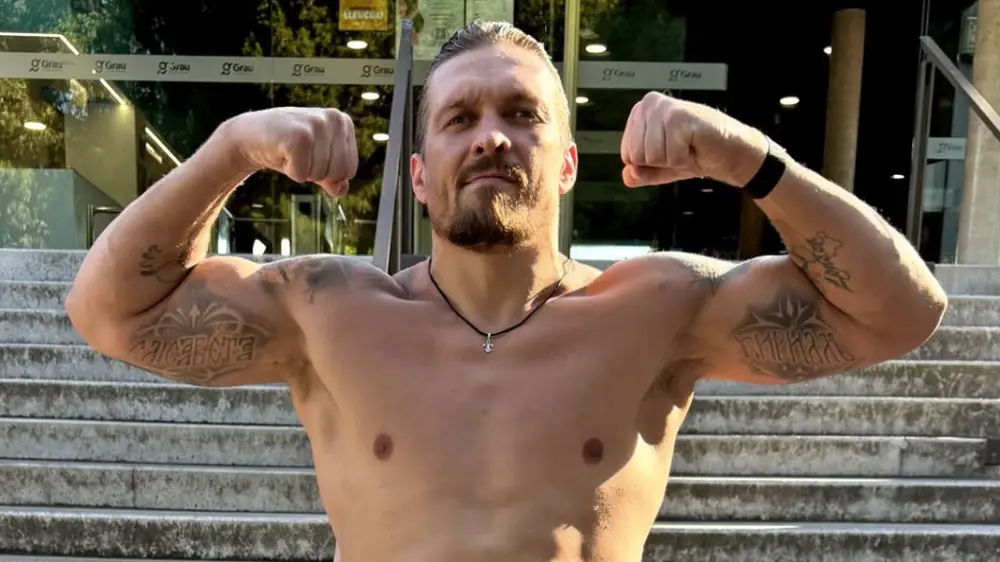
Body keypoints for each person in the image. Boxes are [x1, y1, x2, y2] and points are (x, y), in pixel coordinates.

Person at [65, 20, 948, 562]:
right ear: (419, 176)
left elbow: (904, 313)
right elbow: (105, 312)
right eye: (460, 118)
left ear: (565, 164)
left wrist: (751, 160)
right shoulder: (328, 311)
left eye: (521, 115)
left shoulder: (659, 308)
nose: (491, 137)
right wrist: (230, 150)